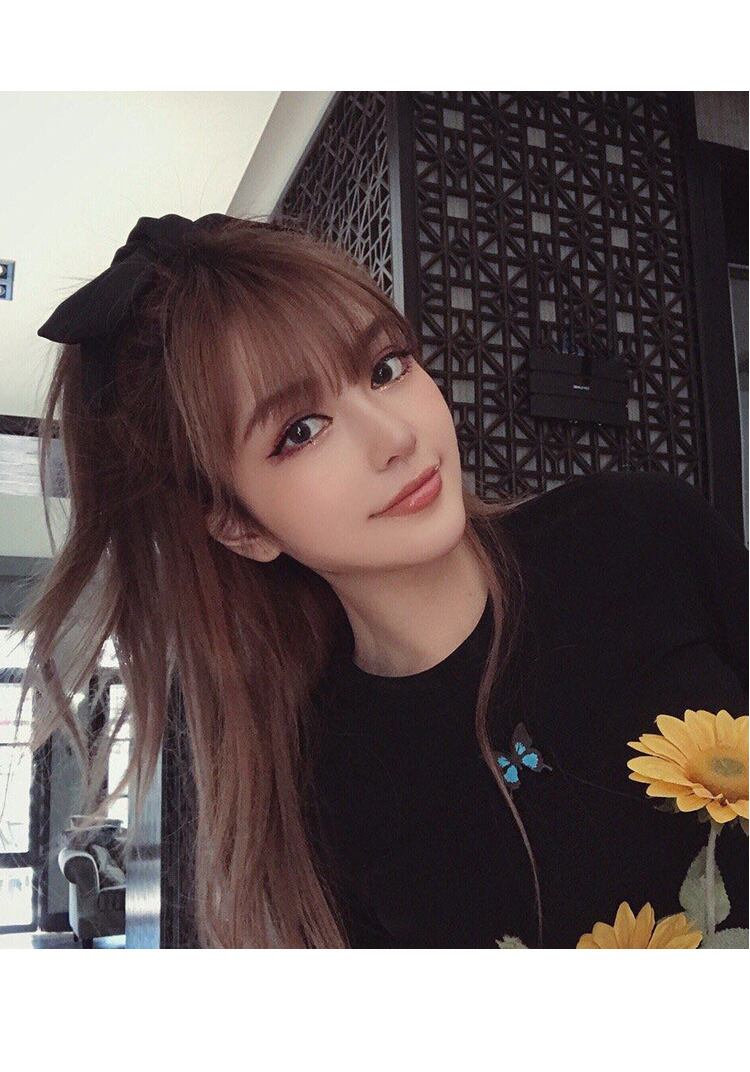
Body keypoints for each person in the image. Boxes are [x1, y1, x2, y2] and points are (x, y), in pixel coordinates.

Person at [12, 212, 748, 949]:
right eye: (301, 430)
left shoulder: (639, 534)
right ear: (240, 526)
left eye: (386, 368)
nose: (397, 437)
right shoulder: (324, 790)